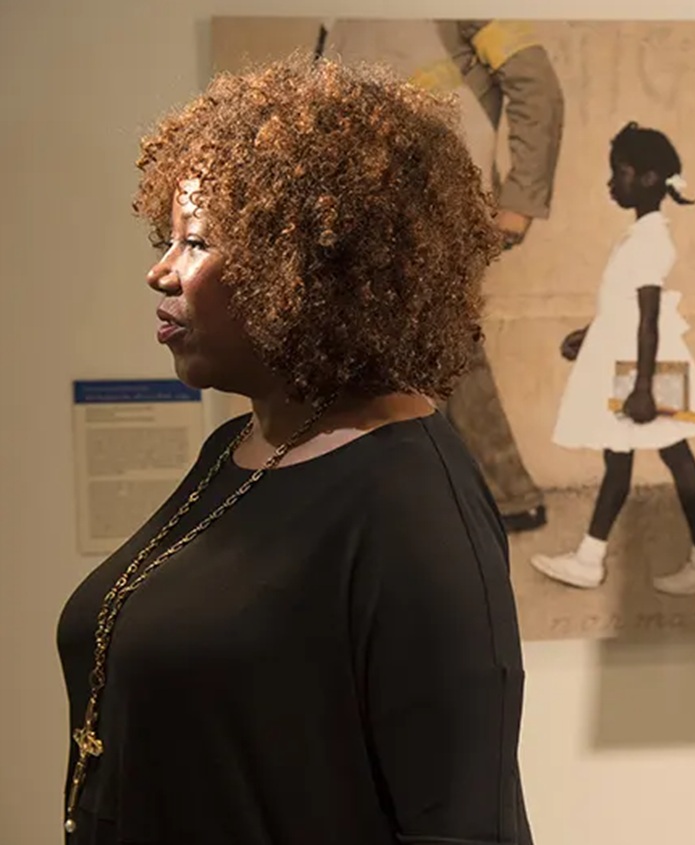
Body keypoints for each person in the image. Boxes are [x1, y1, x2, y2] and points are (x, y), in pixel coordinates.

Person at [55, 56, 535, 843]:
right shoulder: (236, 451)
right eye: (167, 240)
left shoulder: (412, 504)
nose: (161, 272)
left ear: (312, 267)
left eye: (196, 242)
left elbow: (462, 821)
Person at [319, 17, 566, 533]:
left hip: (439, 202)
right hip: (365, 206)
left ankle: (497, 496)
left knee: (436, 345)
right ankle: (491, 496)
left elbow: (536, 85)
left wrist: (520, 200)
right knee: (418, 349)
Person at [529, 122, 695, 597]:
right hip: (634, 363)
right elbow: (622, 308)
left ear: (648, 178)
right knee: (621, 459)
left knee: (673, 456)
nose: (611, 182)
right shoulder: (640, 235)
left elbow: (648, 319)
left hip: (645, 368)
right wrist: (590, 334)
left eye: (619, 172)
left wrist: (642, 388)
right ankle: (590, 558)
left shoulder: (650, 240)